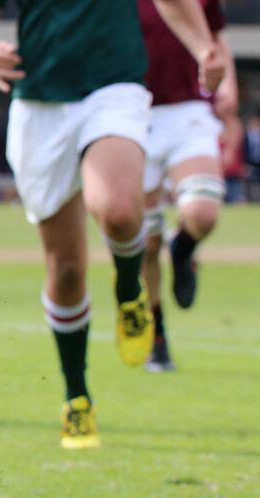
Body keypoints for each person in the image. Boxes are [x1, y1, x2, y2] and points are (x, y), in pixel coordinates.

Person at [0, 0, 224, 449]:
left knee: (119, 210)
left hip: (113, 89)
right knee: (65, 270)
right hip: (39, 104)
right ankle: (77, 396)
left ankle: (129, 291)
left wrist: (204, 48)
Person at [137, 0, 236, 373]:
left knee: (202, 212)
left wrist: (226, 82)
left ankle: (183, 248)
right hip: (132, 111)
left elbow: (215, 37)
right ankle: (156, 336)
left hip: (188, 108)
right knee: (145, 241)